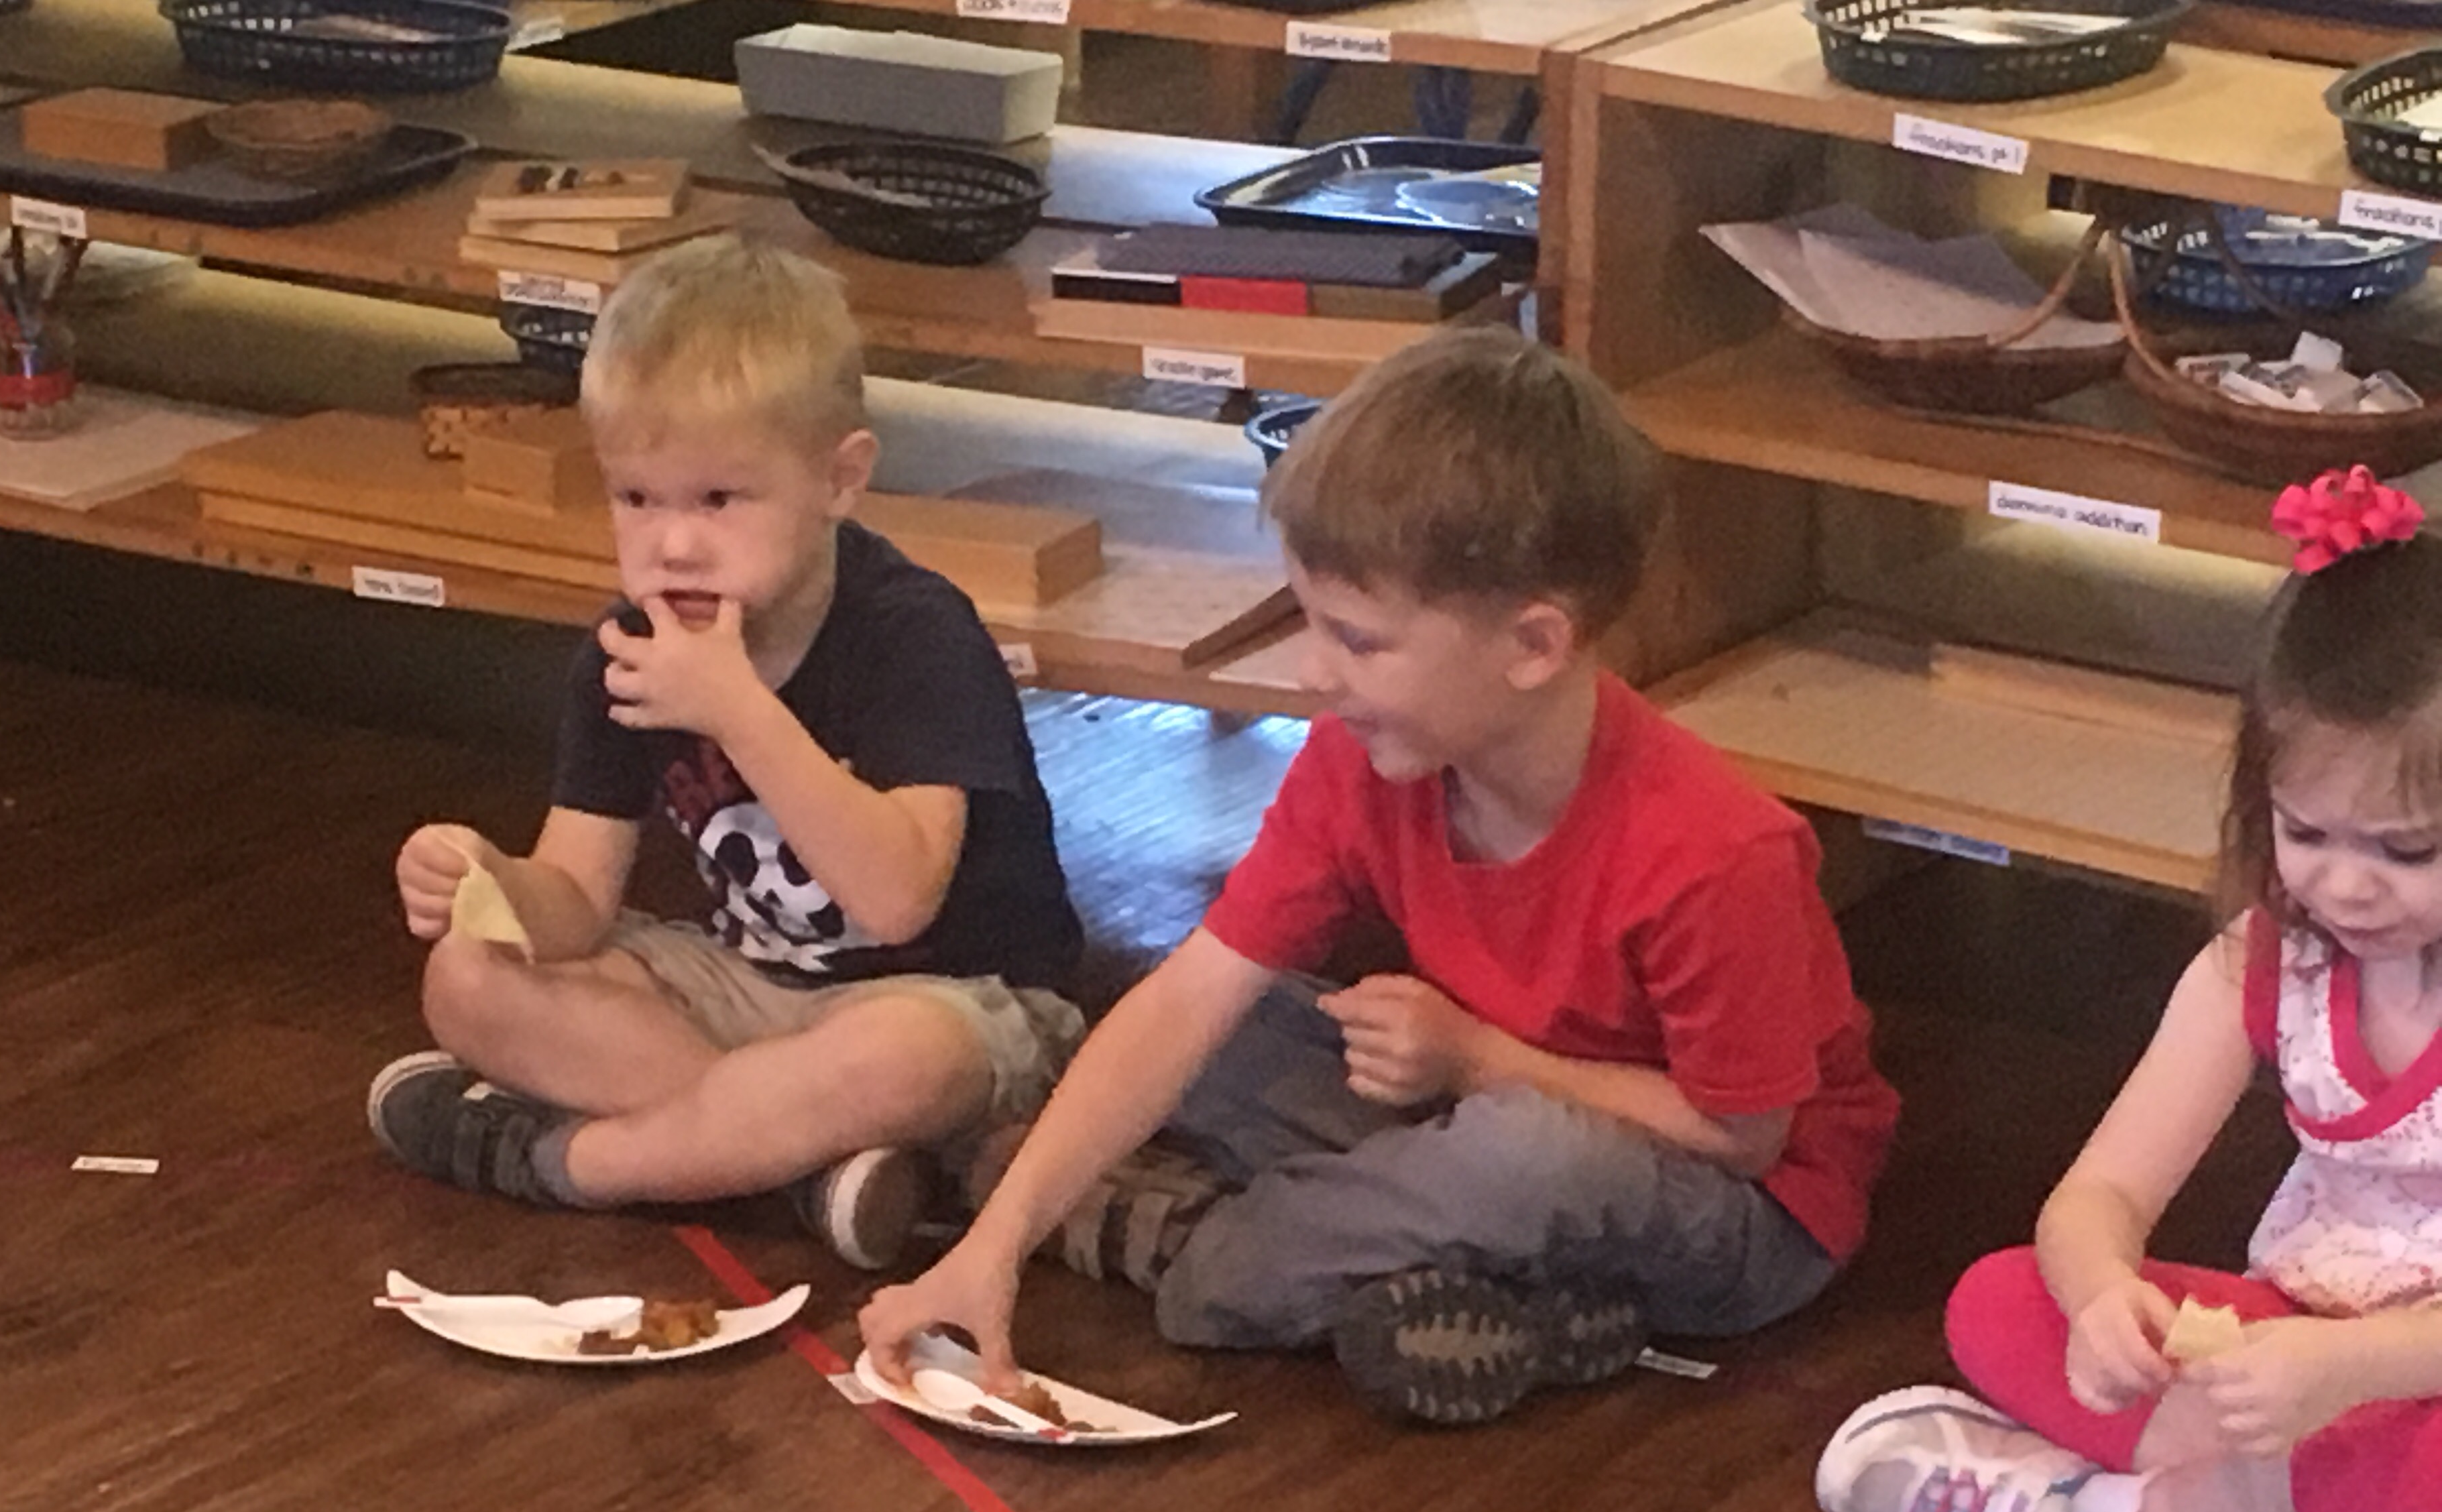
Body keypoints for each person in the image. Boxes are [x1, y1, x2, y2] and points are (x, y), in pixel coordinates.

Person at [860, 327, 1898, 1424]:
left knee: (1514, 1162)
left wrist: (1478, 1058)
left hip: (1739, 1211)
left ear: (1534, 645)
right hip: (1480, 1107)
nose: (1315, 672)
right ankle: (1495, 1294)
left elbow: (1743, 1137)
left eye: (1358, 641)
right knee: (1226, 1031)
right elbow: (1194, 997)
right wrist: (994, 1247)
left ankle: (1193, 1246)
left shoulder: (1715, 853)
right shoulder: (1365, 761)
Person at [1818, 466, 2442, 1512]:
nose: (2343, 884)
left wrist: (2355, 1369)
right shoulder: (2257, 965)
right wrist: (2105, 1299)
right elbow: (2098, 1196)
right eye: (2305, 833)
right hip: (2292, 1356)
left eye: (2405, 851)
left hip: (2394, 1375)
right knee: (2000, 1301)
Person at [367, 236, 1084, 1269]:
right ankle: (803, 1168)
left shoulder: (914, 633)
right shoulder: (628, 650)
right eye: (636, 498)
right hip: (746, 987)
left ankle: (570, 1162)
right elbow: (577, 904)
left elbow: (898, 900)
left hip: (957, 1001)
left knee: (899, 1057)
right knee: (467, 981)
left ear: (840, 479)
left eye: (718, 501)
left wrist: (740, 711)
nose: (673, 543)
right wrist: (492, 880)